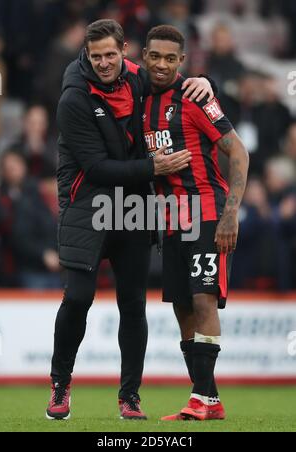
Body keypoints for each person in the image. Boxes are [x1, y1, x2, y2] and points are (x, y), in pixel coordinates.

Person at [46, 19, 214, 421]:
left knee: (133, 305)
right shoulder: (74, 98)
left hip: (134, 206)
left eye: (110, 54)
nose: (104, 63)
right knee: (79, 298)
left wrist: (203, 84)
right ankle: (61, 383)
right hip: (87, 205)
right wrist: (154, 166)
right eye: (96, 56)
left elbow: (172, 79)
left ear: (125, 51)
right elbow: (97, 167)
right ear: (86, 55)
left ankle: (130, 397)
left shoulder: (138, 77)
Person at [142, 25, 249, 421]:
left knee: (203, 300)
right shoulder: (139, 97)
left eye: (171, 59)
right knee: (183, 308)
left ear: (182, 61)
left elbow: (238, 152)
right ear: (144, 55)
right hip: (170, 222)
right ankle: (209, 398)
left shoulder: (193, 98)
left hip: (207, 213)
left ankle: (200, 400)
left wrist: (230, 213)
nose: (162, 65)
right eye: (155, 56)